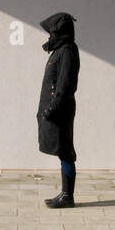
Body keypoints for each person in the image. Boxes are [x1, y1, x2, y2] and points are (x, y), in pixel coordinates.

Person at [37, 12, 80, 208]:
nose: (49, 35)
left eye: (52, 31)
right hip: (55, 110)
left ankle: (67, 196)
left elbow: (65, 85)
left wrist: (51, 109)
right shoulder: (60, 49)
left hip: (60, 110)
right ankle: (65, 194)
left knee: (65, 152)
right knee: (62, 151)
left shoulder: (68, 51)